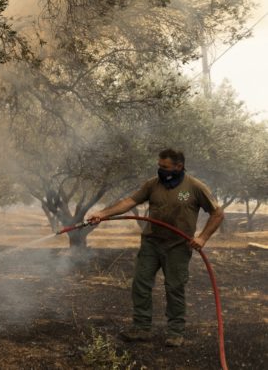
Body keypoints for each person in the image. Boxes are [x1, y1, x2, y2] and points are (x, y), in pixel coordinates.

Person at [87, 148, 224, 347]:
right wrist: (103, 213)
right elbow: (129, 201)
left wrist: (203, 238)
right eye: (159, 166)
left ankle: (175, 332)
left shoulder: (195, 187)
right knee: (140, 284)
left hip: (177, 245)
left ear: (179, 166)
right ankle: (141, 328)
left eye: (165, 167)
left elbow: (217, 214)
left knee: (174, 287)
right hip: (151, 242)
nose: (160, 170)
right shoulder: (153, 184)